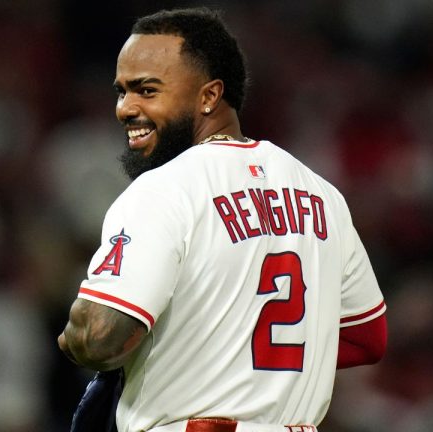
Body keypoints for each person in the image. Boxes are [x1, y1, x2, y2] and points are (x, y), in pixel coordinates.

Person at [58, 6, 387, 432]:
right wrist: (244, 356)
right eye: (122, 91)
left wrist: (74, 336)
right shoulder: (322, 195)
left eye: (147, 90)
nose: (125, 108)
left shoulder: (165, 189)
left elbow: (99, 336)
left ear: (209, 96)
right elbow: (366, 336)